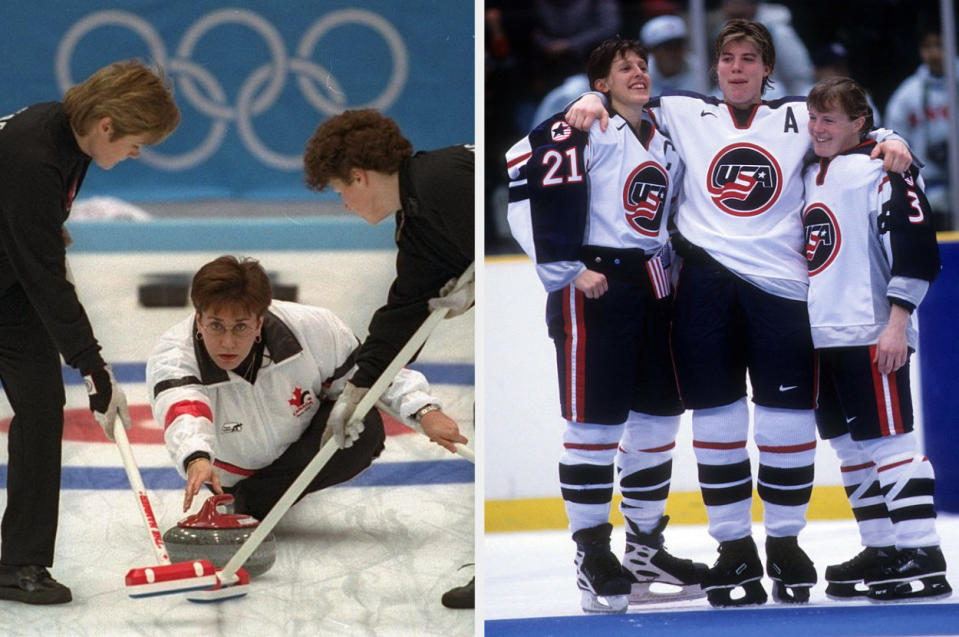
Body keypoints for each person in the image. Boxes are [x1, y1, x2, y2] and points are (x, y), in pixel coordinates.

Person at [564, 19, 914, 607]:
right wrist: (586, 97)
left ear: (767, 68)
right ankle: (734, 548)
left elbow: (853, 124)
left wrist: (891, 137)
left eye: (749, 58)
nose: (736, 67)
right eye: (728, 57)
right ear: (715, 66)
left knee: (786, 423)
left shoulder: (802, 114)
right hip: (703, 287)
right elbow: (622, 96)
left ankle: (784, 543)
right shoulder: (681, 109)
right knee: (717, 424)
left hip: (782, 291)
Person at [507, 37, 707, 614]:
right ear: (600, 84)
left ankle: (644, 551)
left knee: (656, 423)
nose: (640, 73)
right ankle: (592, 553)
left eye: (643, 66)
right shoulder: (579, 128)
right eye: (625, 68)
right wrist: (566, 269)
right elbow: (523, 179)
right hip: (596, 284)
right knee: (594, 426)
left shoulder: (665, 136)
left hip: (656, 286)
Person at [0, 60, 178, 605]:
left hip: (7, 281)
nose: (136, 153)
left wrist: (42, 228)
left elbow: (33, 240)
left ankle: (19, 563)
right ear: (107, 124)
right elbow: (45, 277)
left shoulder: (65, 136)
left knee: (40, 404)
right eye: (136, 143)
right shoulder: (33, 154)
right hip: (17, 272)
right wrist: (93, 364)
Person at [302, 110, 474, 608]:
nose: (344, 202)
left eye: (340, 190)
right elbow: (404, 312)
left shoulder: (442, 180)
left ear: (359, 176)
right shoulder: (417, 218)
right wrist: (358, 391)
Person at [147, 255, 458, 522]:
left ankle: (255, 502)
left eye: (240, 326)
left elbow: (370, 373)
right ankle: (251, 500)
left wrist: (424, 409)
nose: (228, 341)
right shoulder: (175, 355)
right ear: (199, 320)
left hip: (303, 445)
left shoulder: (313, 328)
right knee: (252, 498)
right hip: (232, 475)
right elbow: (184, 408)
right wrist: (196, 457)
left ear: (259, 322)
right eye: (216, 325)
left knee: (364, 424)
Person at [803, 76, 950, 603]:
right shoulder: (808, 171)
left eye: (831, 120)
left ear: (859, 123)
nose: (819, 129)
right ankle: (882, 546)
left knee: (890, 441)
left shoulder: (883, 171)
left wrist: (896, 324)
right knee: (851, 446)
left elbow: (916, 251)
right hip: (824, 336)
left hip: (871, 331)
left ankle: (922, 549)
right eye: (814, 118)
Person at [885, 21, 956, 230]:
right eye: (927, 47)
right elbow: (894, 137)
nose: (934, 52)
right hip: (929, 185)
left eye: (939, 45)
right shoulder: (908, 93)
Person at [640, 14, 698, 93]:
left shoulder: (697, 67)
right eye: (668, 47)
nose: (675, 52)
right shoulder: (640, 74)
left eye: (679, 45)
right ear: (652, 51)